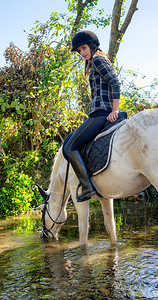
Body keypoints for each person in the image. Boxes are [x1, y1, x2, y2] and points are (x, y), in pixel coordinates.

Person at [64, 30, 121, 202]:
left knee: (69, 147)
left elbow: (115, 83)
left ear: (92, 44)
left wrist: (115, 110)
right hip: (100, 111)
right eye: (79, 51)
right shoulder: (97, 60)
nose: (82, 53)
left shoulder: (96, 59)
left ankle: (88, 187)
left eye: (83, 48)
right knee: (69, 142)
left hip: (100, 113)